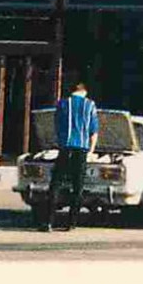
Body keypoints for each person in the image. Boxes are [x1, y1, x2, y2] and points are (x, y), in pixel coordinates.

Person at [45, 81, 99, 232]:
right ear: (84, 91)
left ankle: (48, 222)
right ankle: (71, 223)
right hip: (81, 149)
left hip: (65, 147)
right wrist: (91, 150)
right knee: (77, 186)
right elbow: (93, 131)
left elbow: (57, 126)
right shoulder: (90, 105)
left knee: (56, 184)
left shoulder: (62, 104)